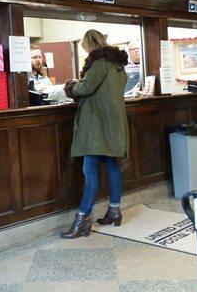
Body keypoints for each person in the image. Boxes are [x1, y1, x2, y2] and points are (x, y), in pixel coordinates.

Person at [61, 29, 130, 239]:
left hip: (96, 126)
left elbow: (85, 89)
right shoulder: (118, 66)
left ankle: (82, 219)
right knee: (111, 165)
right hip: (114, 123)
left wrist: (73, 85)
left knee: (89, 168)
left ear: (89, 45)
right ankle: (114, 211)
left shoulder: (99, 63)